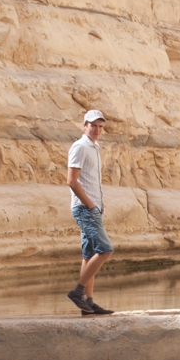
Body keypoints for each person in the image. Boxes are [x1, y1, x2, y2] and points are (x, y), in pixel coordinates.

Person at [66, 110, 116, 316]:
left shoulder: (94, 148)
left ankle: (88, 303)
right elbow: (71, 180)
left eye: (100, 126)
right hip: (85, 208)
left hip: (93, 208)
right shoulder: (79, 147)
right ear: (84, 126)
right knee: (105, 250)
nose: (97, 130)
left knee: (89, 255)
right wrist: (90, 205)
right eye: (93, 125)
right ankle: (77, 293)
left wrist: (98, 205)